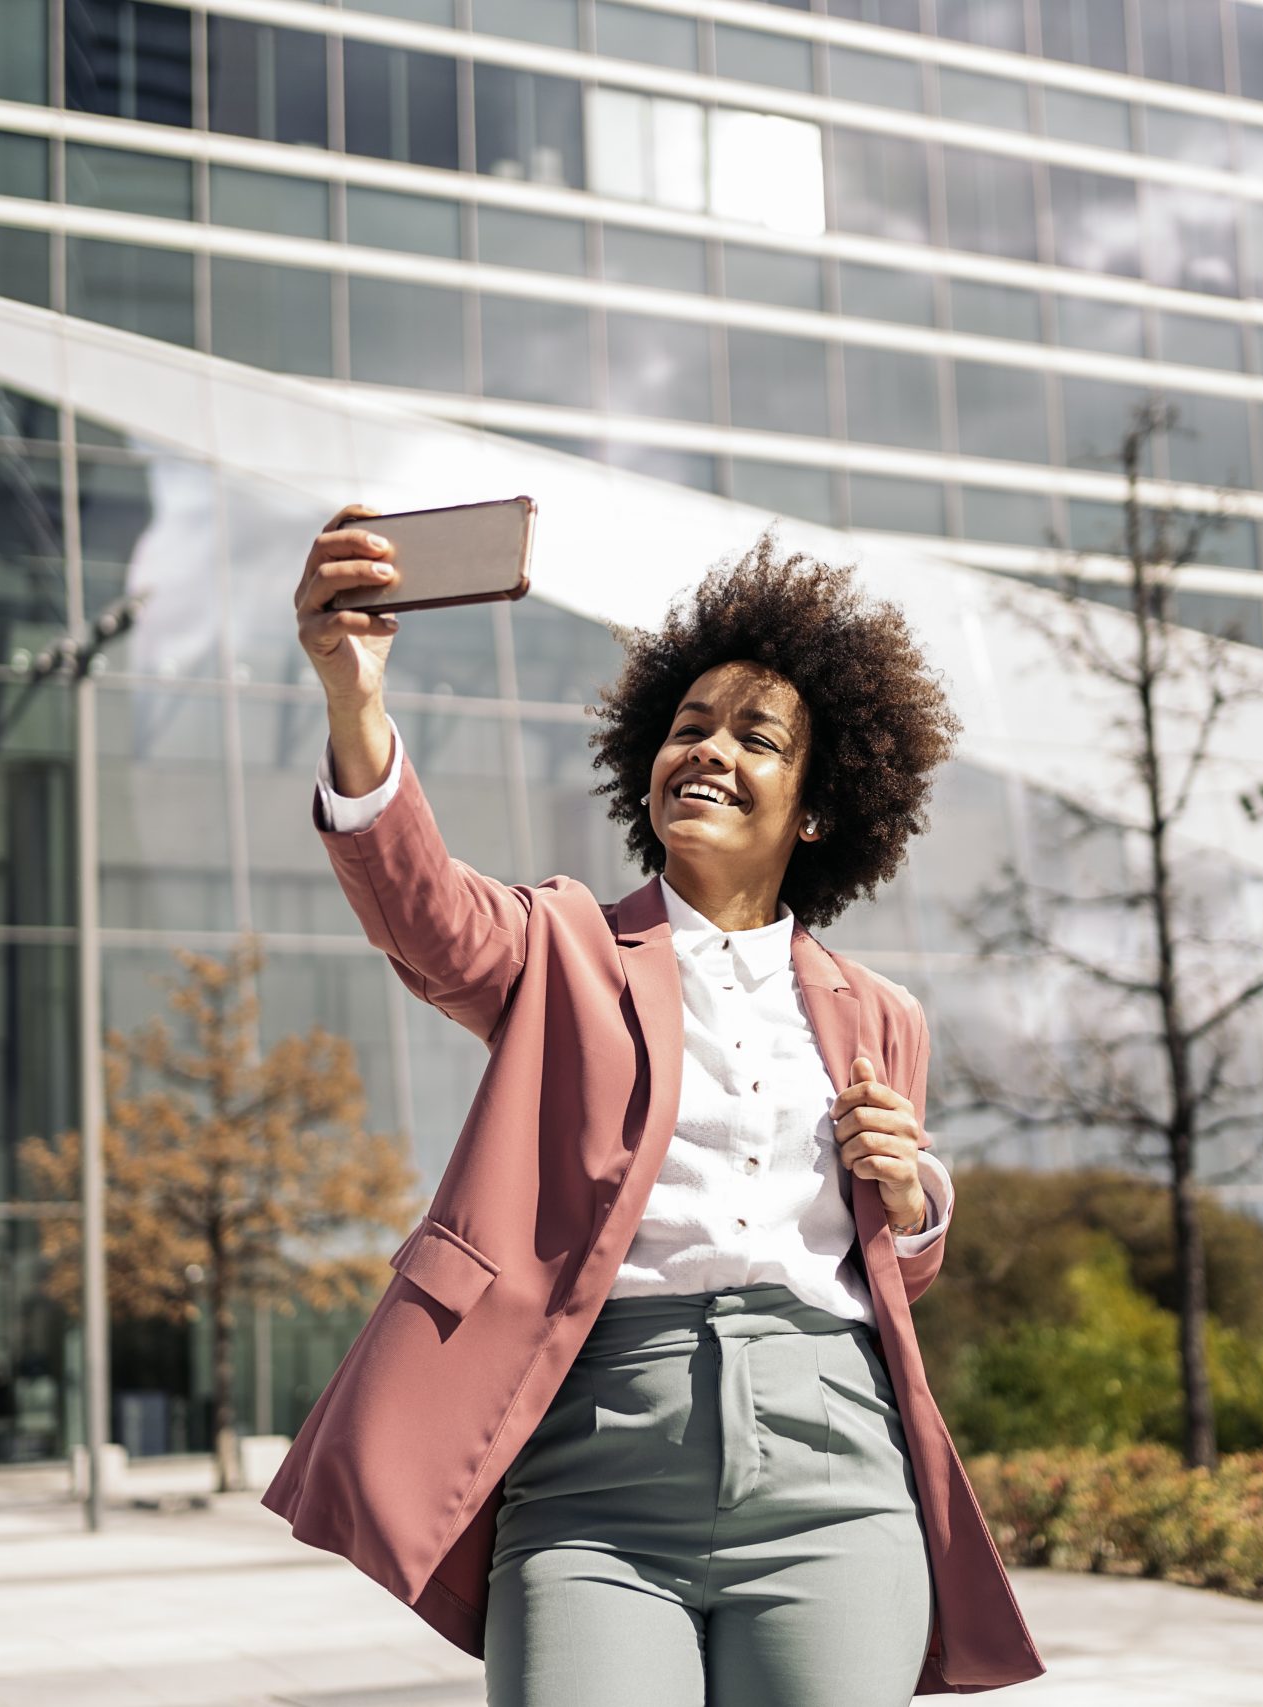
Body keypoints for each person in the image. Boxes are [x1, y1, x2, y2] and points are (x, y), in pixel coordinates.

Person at [260, 505, 1045, 1703]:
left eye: (755, 737)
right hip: (593, 1485)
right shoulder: (559, 946)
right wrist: (355, 699)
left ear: (817, 807)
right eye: (688, 727)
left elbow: (885, 1267)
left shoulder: (880, 1015)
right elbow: (423, 912)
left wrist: (916, 1196)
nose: (708, 750)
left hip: (834, 1479)